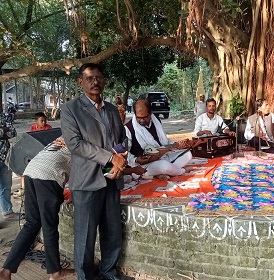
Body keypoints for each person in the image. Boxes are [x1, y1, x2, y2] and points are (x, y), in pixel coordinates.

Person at [60, 63, 127, 280]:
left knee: (112, 232)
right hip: (87, 180)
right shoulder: (71, 109)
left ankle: (108, 272)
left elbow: (121, 138)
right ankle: (85, 277)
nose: (95, 81)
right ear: (80, 82)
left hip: (111, 178)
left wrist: (119, 159)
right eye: (89, 78)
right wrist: (110, 158)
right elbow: (75, 144)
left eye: (98, 77)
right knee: (85, 237)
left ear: (104, 81)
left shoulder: (110, 110)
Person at [0, 138, 74, 280]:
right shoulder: (82, 139)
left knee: (32, 223)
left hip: (31, 172)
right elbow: (84, 171)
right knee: (49, 225)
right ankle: (55, 272)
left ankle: (6, 270)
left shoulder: (63, 136)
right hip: (48, 176)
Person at [125, 100, 195, 179]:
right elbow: (124, 153)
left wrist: (176, 145)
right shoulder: (129, 128)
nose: (142, 120)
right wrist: (136, 159)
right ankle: (181, 171)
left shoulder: (156, 120)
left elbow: (164, 141)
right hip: (142, 166)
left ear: (150, 113)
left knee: (188, 154)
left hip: (163, 157)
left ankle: (157, 173)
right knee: (164, 166)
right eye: (138, 118)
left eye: (145, 117)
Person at [0, 112, 17, 219]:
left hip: (5, 157)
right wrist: (4, 129)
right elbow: (6, 131)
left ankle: (7, 211)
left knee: (6, 186)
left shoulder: (3, 116)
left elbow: (13, 132)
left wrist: (3, 131)